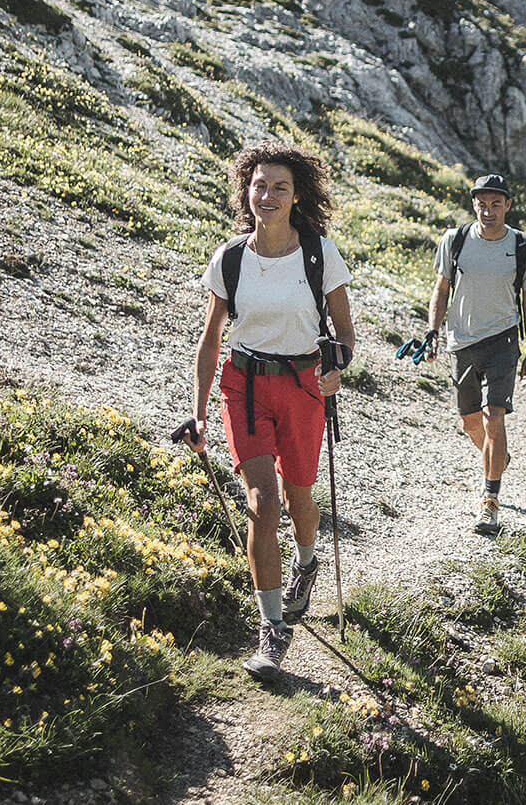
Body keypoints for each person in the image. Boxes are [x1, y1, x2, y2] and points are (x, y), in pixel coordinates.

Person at [190, 141, 355, 681]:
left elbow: (347, 337)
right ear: (247, 190)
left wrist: (337, 369)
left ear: (297, 194)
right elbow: (212, 340)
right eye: (260, 185)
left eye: (280, 187)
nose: (269, 195)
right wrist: (197, 413)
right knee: (262, 501)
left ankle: (307, 561)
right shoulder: (230, 257)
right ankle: (272, 628)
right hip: (244, 386)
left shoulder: (318, 253)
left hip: (304, 385)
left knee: (299, 496)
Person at [425, 173, 526, 534]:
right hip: (461, 341)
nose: (488, 210)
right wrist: (432, 330)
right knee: (471, 422)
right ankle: (497, 457)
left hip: (503, 340)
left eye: (496, 204)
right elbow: (441, 288)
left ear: (508, 205)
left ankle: (490, 501)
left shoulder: (523, 247)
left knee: (494, 417)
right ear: (473, 204)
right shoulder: (454, 240)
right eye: (482, 203)